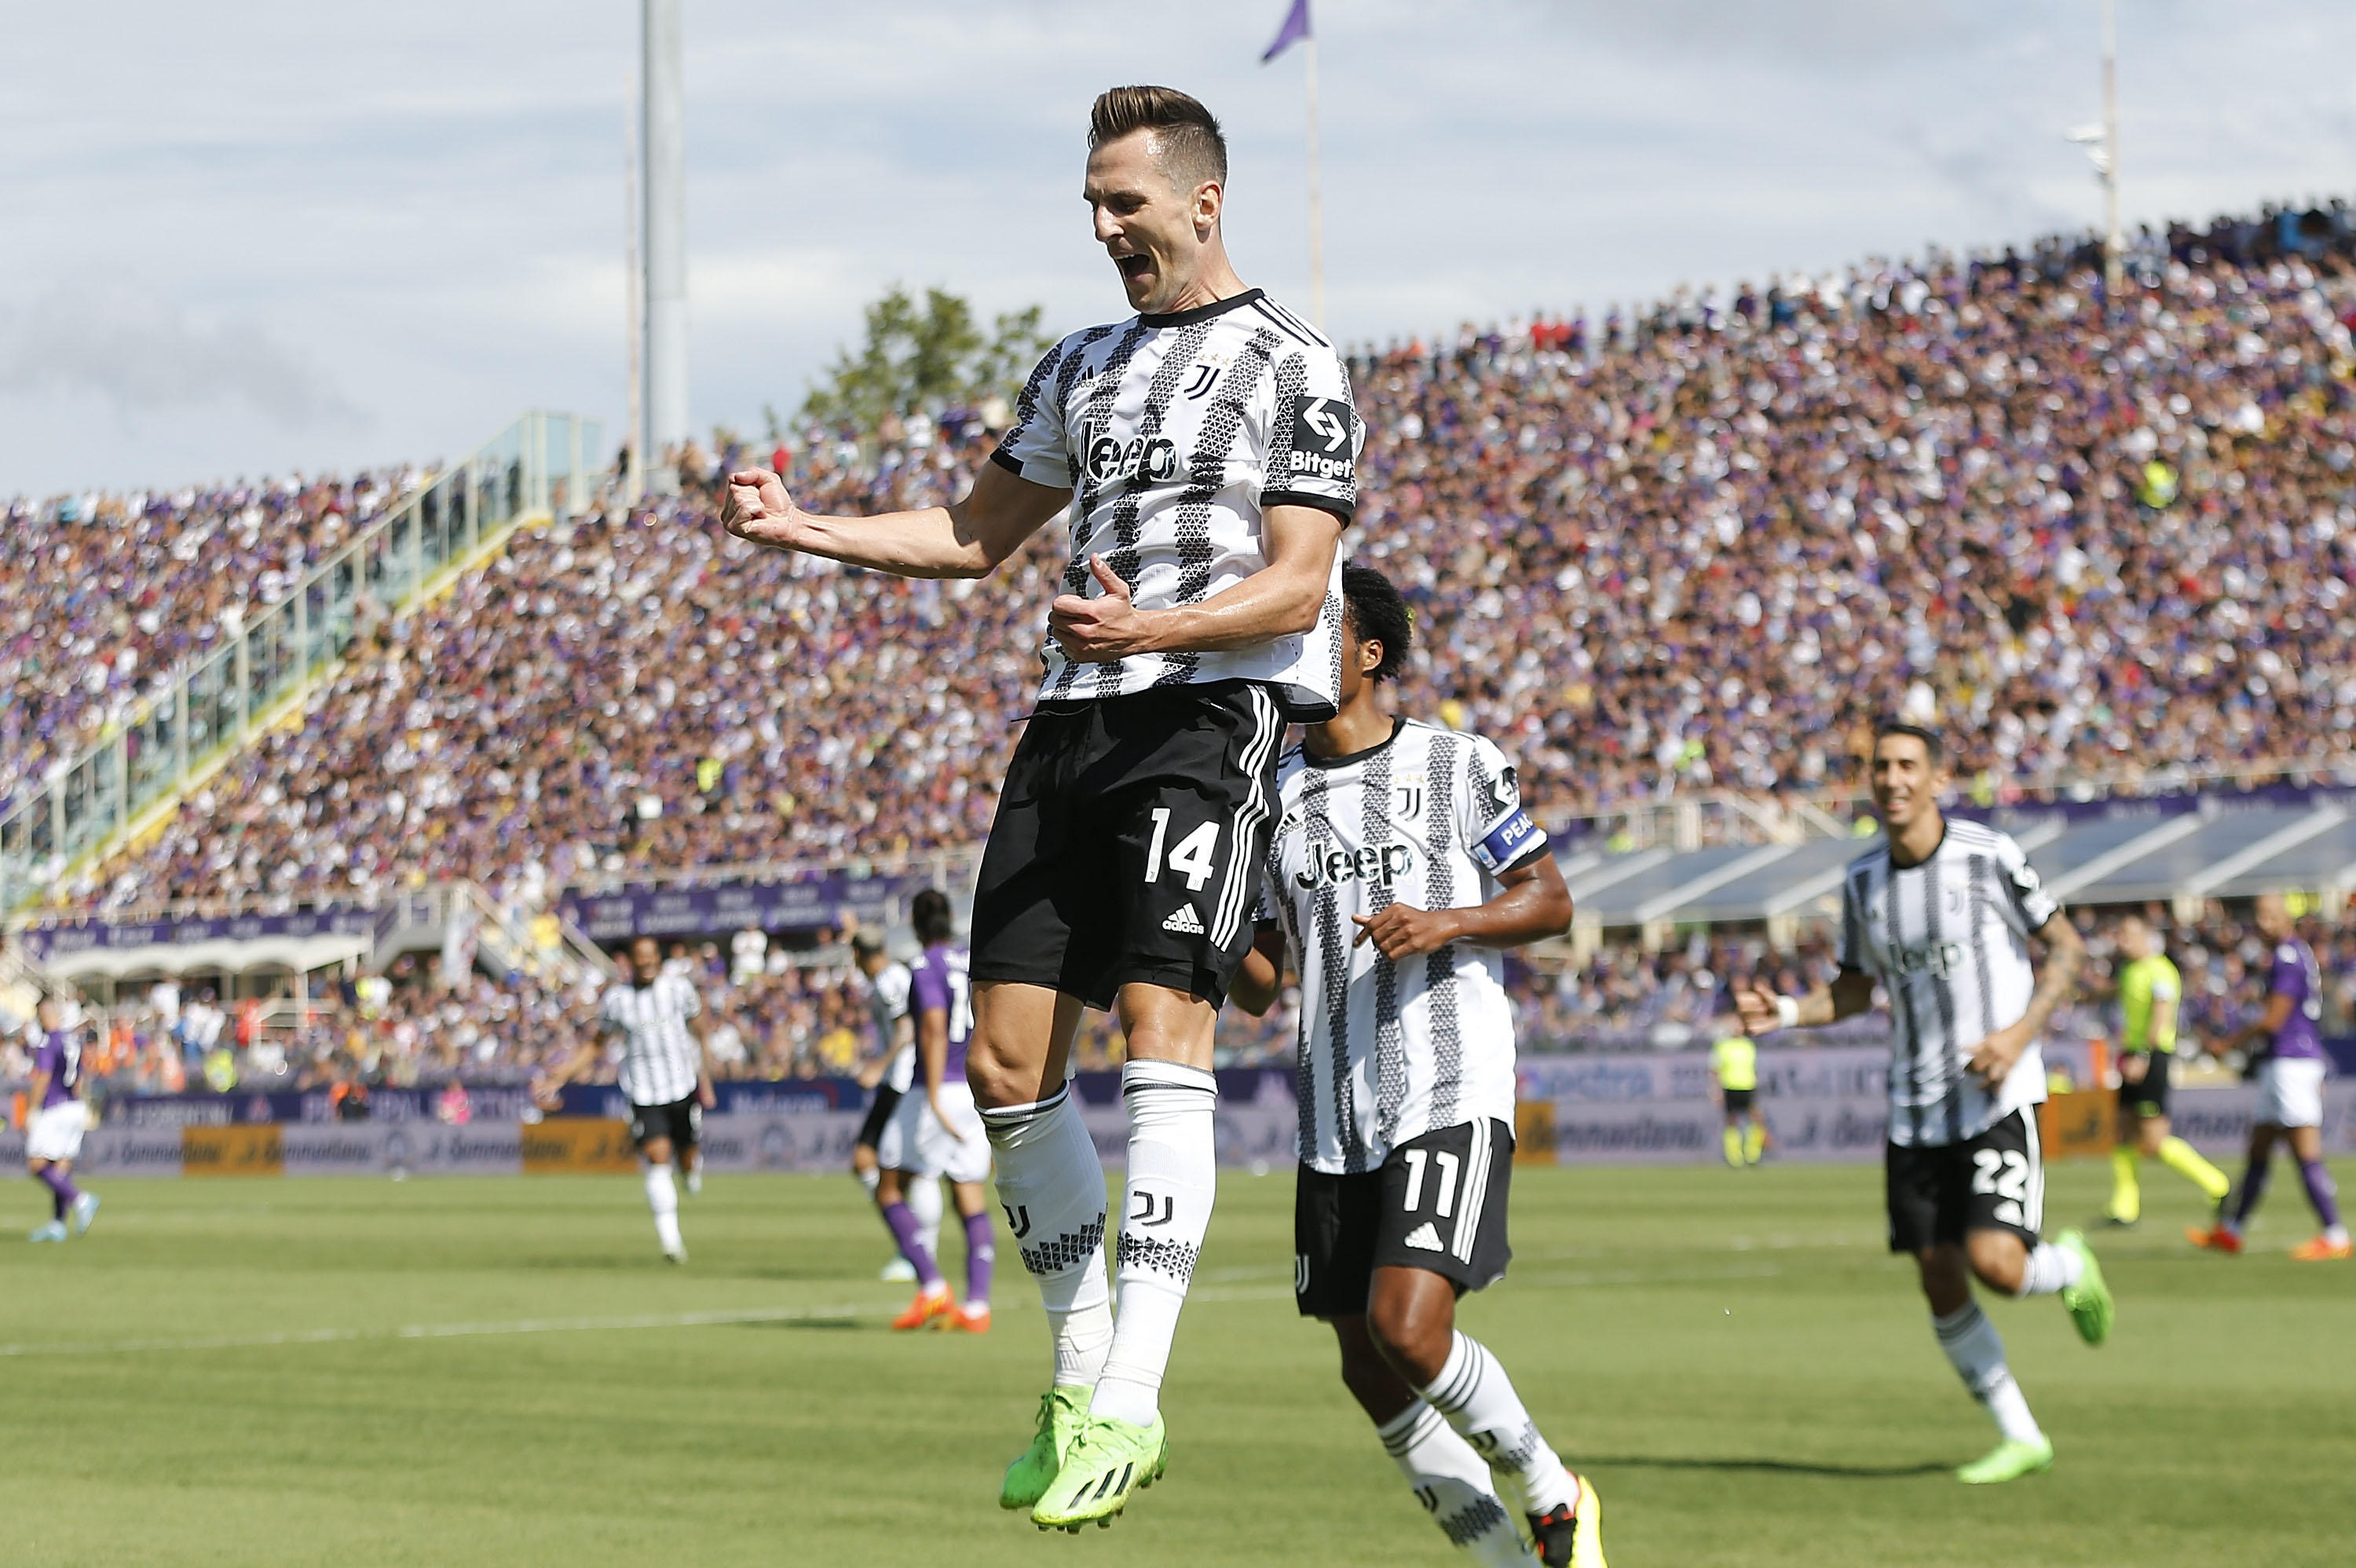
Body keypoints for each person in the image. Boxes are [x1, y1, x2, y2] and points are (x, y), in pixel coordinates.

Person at [723, 86, 1359, 1530]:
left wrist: (1155, 633)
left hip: (1206, 713)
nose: (1101, 226)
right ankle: (1082, 1367)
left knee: (1160, 1031)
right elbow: (972, 535)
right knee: (1007, 1069)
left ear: (1201, 200)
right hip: (1071, 721)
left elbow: (1300, 579)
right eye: (1089, 202)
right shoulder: (1080, 361)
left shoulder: (1294, 362)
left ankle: (1131, 1395)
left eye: (1123, 201)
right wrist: (804, 526)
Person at [1230, 568, 1601, 1568]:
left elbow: (1550, 898)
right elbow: (1263, 981)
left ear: (1369, 654)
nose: (1291, 645)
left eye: (1314, 628)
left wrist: (1450, 920)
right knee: (1367, 1364)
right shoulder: (1270, 797)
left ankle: (1551, 1488)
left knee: (1407, 1322)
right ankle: (1508, 1560)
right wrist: (1195, 924)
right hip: (1332, 1112)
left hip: (1448, 1084)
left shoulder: (1456, 763)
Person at [1734, 722, 2113, 1486]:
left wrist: (2016, 1034)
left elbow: (2068, 948)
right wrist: (1782, 1014)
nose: (1893, 778)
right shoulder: (1863, 881)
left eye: (1909, 765)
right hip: (1914, 1107)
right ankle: (2021, 1434)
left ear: (1938, 778)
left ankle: (2069, 1262)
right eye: (1881, 766)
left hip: (1997, 1094)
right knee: (1939, 1276)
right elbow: (1854, 989)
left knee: (1997, 1263)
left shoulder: (1990, 855)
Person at [2188, 894, 2350, 1259]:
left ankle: (2335, 1234)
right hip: (2283, 1062)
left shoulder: (2287, 956)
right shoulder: (2294, 952)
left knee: (2305, 1149)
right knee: (2259, 1147)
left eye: (2270, 915)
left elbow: (2273, 1019)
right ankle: (2232, 1231)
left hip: (2291, 1063)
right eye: (2259, 915)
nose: (2262, 922)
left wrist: (2227, 1043)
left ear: (2286, 917)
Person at [540, 934, 717, 1263]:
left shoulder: (678, 990)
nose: (647, 962)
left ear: (658, 960)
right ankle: (671, 1242)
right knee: (658, 1158)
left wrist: (706, 1077)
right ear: (631, 962)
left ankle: (691, 1171)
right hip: (643, 1092)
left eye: (652, 956)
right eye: (641, 957)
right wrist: (561, 1075)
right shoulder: (617, 1000)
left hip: (681, 1085)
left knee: (688, 1157)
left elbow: (700, 1028)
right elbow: (597, 1044)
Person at [875, 890, 996, 1334]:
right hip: (972, 1090)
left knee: (887, 1184)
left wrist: (930, 1094)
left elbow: (931, 1026)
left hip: (938, 1090)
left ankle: (931, 1286)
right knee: (969, 1196)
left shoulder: (925, 967)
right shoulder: (970, 961)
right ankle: (978, 1307)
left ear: (915, 925)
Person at [2100, 913, 2230, 1226]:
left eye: (2129, 934)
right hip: (2132, 1054)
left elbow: (2160, 1014)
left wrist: (2143, 1055)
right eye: (2121, 934)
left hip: (2152, 1055)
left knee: (2154, 1140)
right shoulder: (2130, 970)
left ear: (2146, 937)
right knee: (2122, 1131)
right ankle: (2125, 1208)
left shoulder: (2160, 970)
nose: (2123, 940)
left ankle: (2218, 1185)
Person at [848, 928, 927, 1283]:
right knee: (880, 1166)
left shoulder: (887, 982)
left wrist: (878, 1065)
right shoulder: (898, 974)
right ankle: (907, 1239)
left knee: (882, 1167)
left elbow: (906, 1030)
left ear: (858, 956)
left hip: (901, 1080)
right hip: (905, 1079)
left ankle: (908, 1245)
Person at [24, 998, 100, 1244]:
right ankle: (57, 1224)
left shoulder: (50, 1041)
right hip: (74, 1106)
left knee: (37, 1163)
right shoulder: (72, 1040)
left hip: (55, 1107)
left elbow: (44, 1077)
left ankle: (81, 1199)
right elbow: (80, 1079)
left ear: (45, 1016)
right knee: (60, 1166)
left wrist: (32, 1110)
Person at [1707, 1031, 1765, 1168]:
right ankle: (1734, 1157)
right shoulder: (1723, 1046)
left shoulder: (1749, 1045)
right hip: (1730, 1086)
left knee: (1756, 1119)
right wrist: (1716, 1091)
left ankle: (1753, 1155)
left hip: (1748, 1085)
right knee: (1731, 1121)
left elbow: (1754, 1067)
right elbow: (1715, 1070)